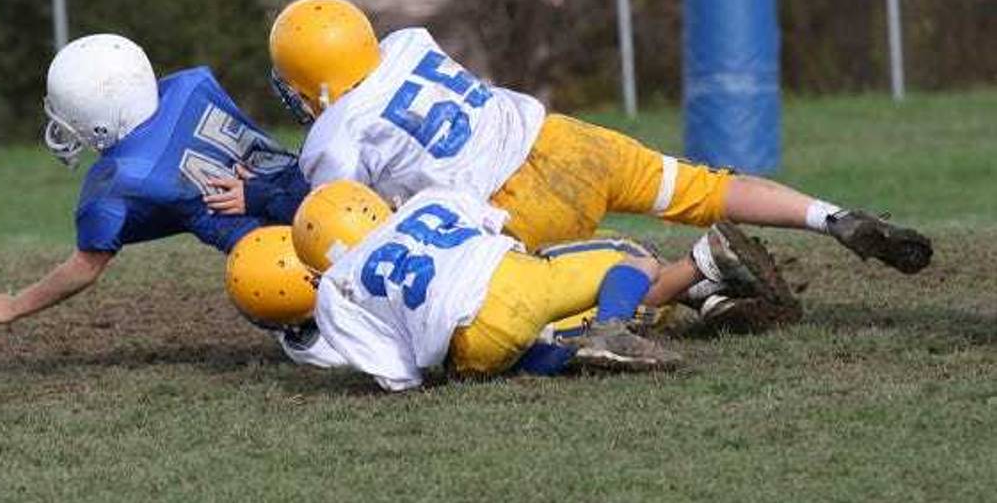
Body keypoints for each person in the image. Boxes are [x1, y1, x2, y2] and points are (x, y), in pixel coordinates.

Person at [264, 0, 933, 318]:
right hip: (561, 139)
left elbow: (351, 225)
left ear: (309, 80)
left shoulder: (333, 138)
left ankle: (692, 276)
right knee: (704, 185)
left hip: (509, 205)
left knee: (546, 308)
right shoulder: (408, 43)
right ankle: (829, 216)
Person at [227, 180, 789, 391]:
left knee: (527, 349)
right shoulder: (421, 204)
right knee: (628, 255)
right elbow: (492, 224)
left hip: (471, 349)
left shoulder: (334, 294)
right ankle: (637, 310)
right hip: (514, 283)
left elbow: (395, 375)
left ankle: (582, 344)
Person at [0, 33, 310, 324]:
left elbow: (85, 266)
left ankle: (307, 331)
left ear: (99, 121)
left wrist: (15, 305)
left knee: (253, 274)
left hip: (289, 258)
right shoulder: (190, 87)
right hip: (312, 191)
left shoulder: (120, 180)